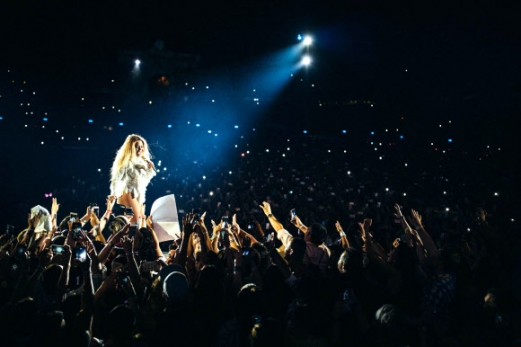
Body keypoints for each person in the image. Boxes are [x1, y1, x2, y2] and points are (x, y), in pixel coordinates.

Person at [110, 134, 156, 224]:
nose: (139, 149)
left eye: (141, 147)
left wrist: (149, 170)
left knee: (139, 223)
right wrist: (113, 195)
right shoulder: (126, 163)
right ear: (130, 147)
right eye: (137, 147)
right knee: (136, 224)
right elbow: (116, 180)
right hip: (128, 193)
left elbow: (143, 183)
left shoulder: (142, 163)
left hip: (138, 195)